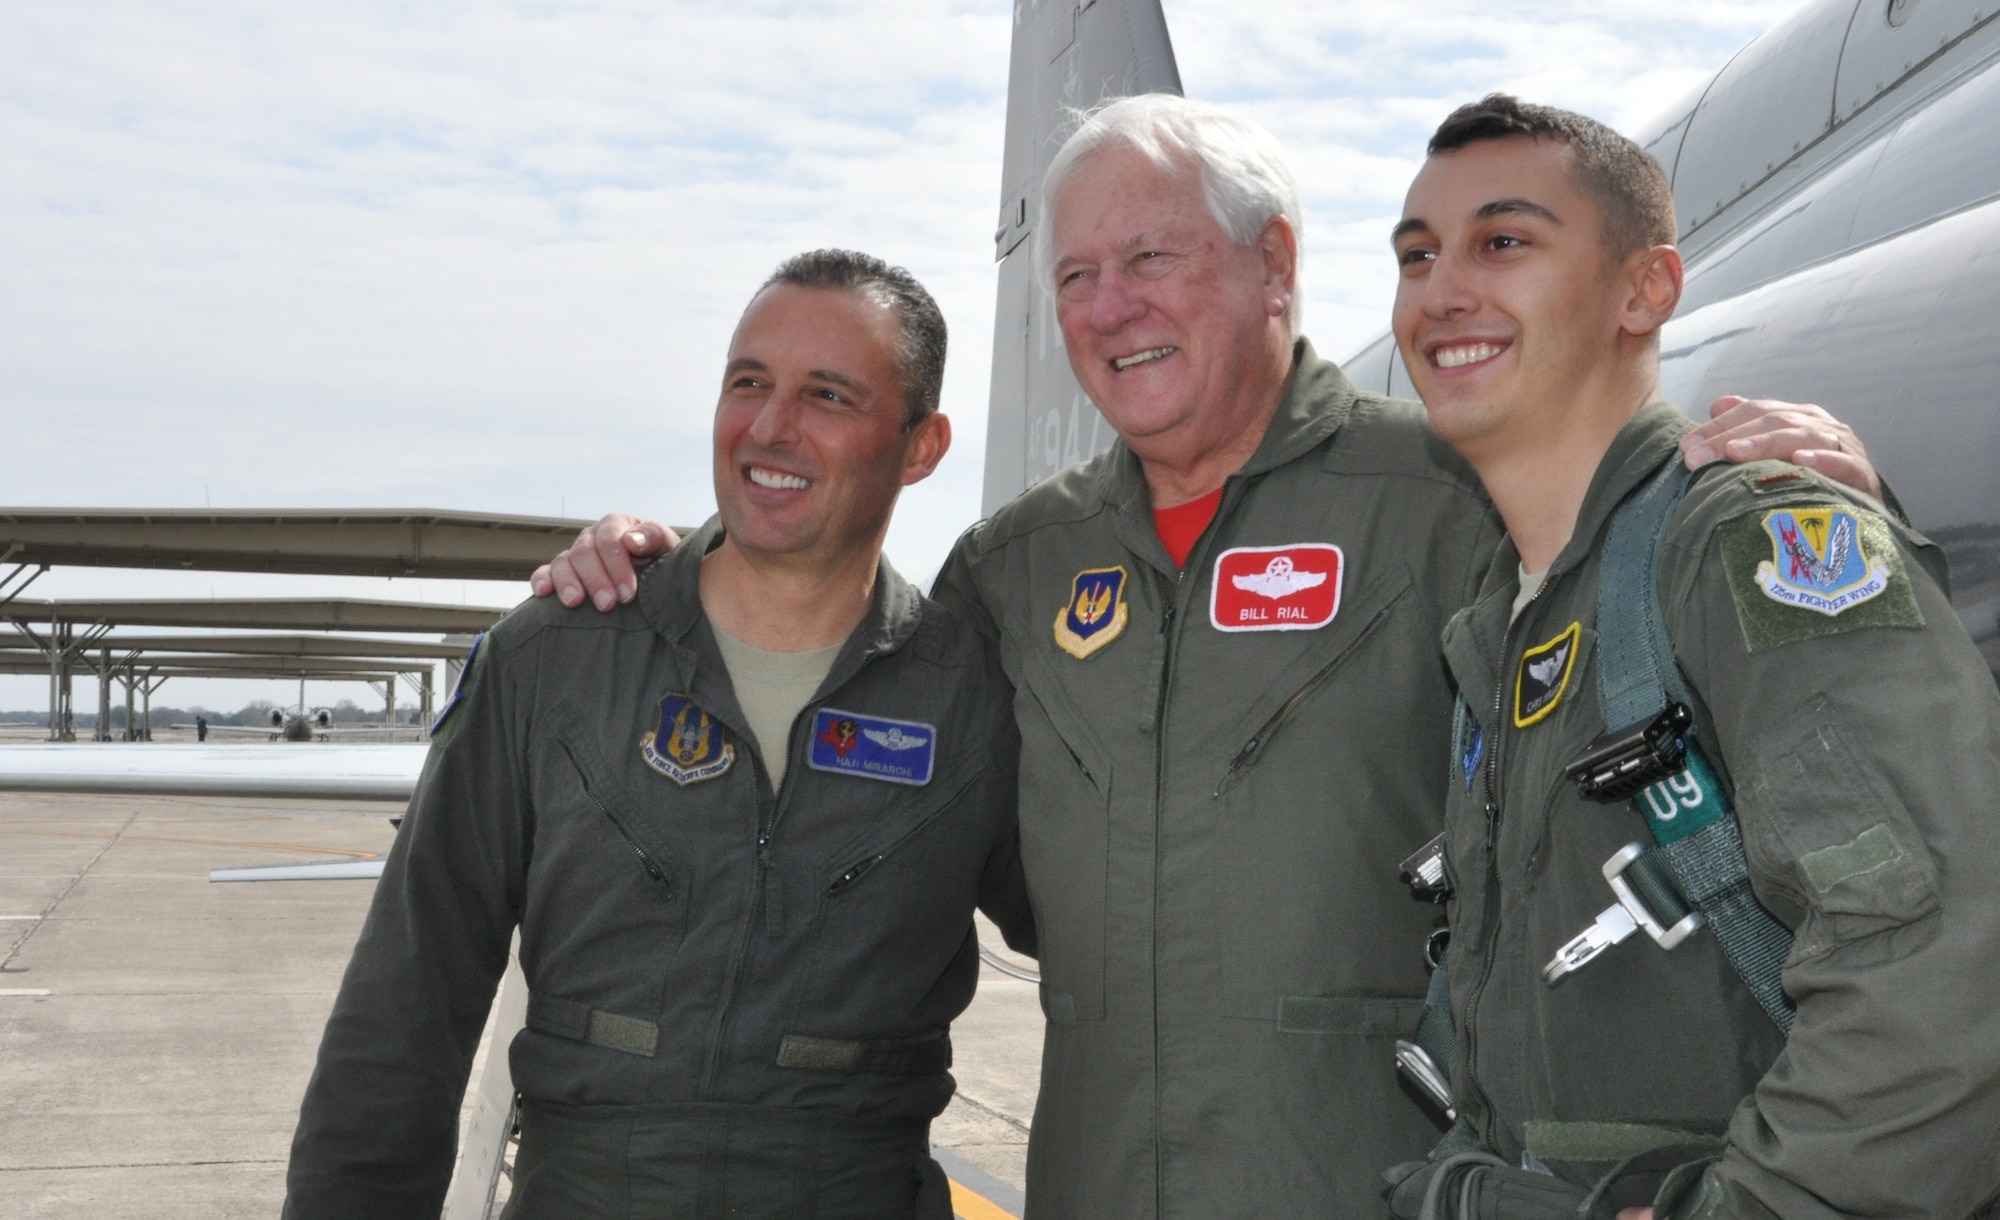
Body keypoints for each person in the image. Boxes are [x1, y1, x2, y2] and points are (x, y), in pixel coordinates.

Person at [531, 98, 1881, 1219]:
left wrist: (1771, 482)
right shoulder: (1015, 570)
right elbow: (842, 714)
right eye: (1075, 277)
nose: (1109, 310)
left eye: (1152, 261)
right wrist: (648, 569)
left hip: (1389, 1185)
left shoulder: (1455, 497)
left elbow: (1684, 675)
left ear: (1274, 265)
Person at [283, 249, 1035, 1219]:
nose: (769, 427)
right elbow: (403, 1011)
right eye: (747, 382)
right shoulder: (553, 660)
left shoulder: (970, 703)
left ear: (920, 445)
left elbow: (1113, 945)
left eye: (827, 395)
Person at [1384, 94, 2000, 1220]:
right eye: (1416, 254)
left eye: (1502, 241)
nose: (1441, 289)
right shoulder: (1505, 614)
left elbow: (1947, 964)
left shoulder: (1743, 541)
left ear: (1645, 289)